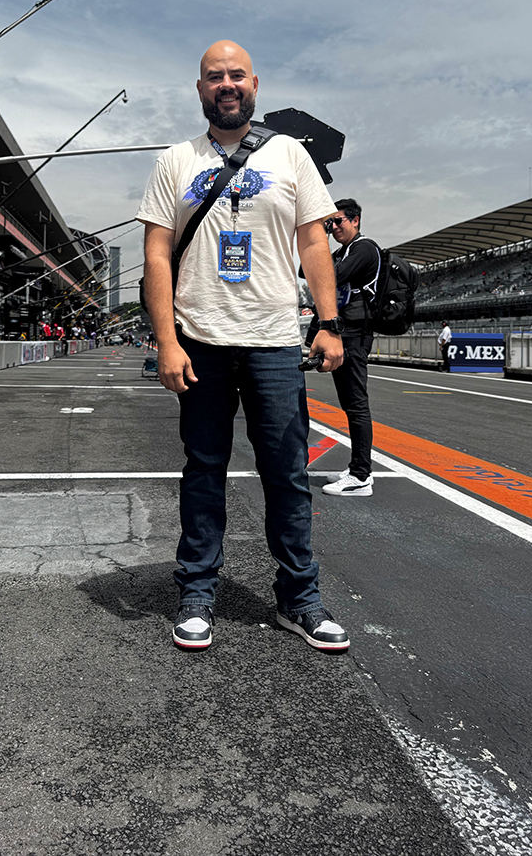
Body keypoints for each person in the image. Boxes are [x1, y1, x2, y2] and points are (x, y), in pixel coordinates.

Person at [138, 39, 350, 653]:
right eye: (214, 77)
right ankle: (198, 591)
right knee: (203, 470)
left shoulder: (290, 155)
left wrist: (328, 322)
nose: (226, 85)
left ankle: (299, 599)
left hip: (274, 341)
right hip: (200, 339)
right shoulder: (176, 160)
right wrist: (166, 340)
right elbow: (156, 253)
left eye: (236, 75)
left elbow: (314, 242)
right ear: (199, 89)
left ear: (255, 84)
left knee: (286, 473)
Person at [313, 198, 381, 498]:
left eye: (339, 221)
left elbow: (331, 276)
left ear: (356, 220)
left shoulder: (364, 248)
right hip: (345, 333)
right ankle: (357, 468)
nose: (334, 226)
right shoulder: (344, 251)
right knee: (350, 405)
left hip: (354, 334)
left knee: (356, 405)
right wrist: (321, 239)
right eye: (331, 222)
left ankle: (361, 476)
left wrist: (320, 247)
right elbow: (308, 273)